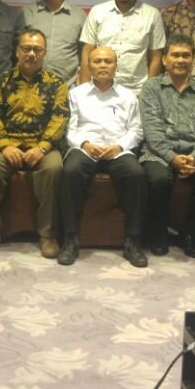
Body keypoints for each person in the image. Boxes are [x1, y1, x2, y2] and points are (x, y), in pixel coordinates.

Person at [0, 28, 68, 259]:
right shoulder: (0, 82)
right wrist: (5, 145)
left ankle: (48, 235)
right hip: (7, 143)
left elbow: (60, 118)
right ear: (17, 52)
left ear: (44, 53)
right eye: (26, 49)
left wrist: (43, 147)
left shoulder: (57, 84)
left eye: (37, 49)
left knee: (54, 168)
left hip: (42, 144)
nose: (31, 54)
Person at [58, 47, 146, 267]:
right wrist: (84, 144)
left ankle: (133, 241)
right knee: (70, 172)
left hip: (117, 150)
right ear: (88, 65)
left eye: (108, 61)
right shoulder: (76, 94)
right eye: (97, 61)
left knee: (136, 174)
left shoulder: (128, 96)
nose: (103, 65)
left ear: (116, 66)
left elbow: (136, 130)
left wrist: (119, 146)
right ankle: (70, 239)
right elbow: (69, 129)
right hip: (85, 149)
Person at [138, 33, 195, 259]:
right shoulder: (151, 88)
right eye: (175, 55)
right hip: (158, 153)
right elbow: (152, 130)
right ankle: (157, 234)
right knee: (158, 179)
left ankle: (193, 234)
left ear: (193, 60)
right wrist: (172, 158)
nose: (181, 60)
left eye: (186, 55)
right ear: (164, 59)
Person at [79, 0, 165, 92]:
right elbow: (87, 54)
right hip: (101, 90)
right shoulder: (97, 12)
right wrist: (83, 92)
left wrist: (150, 93)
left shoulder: (152, 15)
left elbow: (155, 58)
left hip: (137, 91)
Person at [21, 0, 86, 84]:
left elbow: (85, 54)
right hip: (31, 85)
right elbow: (18, 51)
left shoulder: (79, 16)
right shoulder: (26, 13)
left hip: (68, 86)